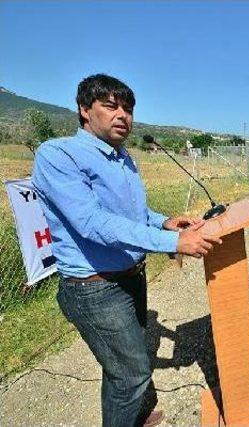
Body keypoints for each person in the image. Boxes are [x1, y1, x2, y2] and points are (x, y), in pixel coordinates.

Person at [31, 74, 221, 427]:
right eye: (111, 105)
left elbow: (134, 215)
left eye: (129, 108)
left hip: (131, 277)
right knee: (131, 374)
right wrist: (173, 243)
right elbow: (92, 222)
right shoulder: (58, 155)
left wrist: (164, 222)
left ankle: (131, 416)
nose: (123, 115)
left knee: (121, 368)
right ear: (85, 110)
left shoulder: (121, 156)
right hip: (95, 288)